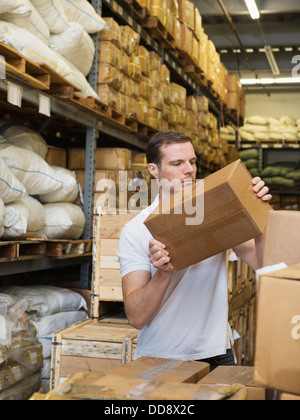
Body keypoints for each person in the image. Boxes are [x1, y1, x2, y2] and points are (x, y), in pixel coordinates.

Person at [117, 131, 272, 371]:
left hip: (216, 353)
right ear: (154, 170)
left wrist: (259, 215)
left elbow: (264, 264)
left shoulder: (215, 213)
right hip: (160, 356)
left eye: (192, 161)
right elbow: (136, 317)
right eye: (177, 163)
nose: (189, 169)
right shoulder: (135, 230)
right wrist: (163, 273)